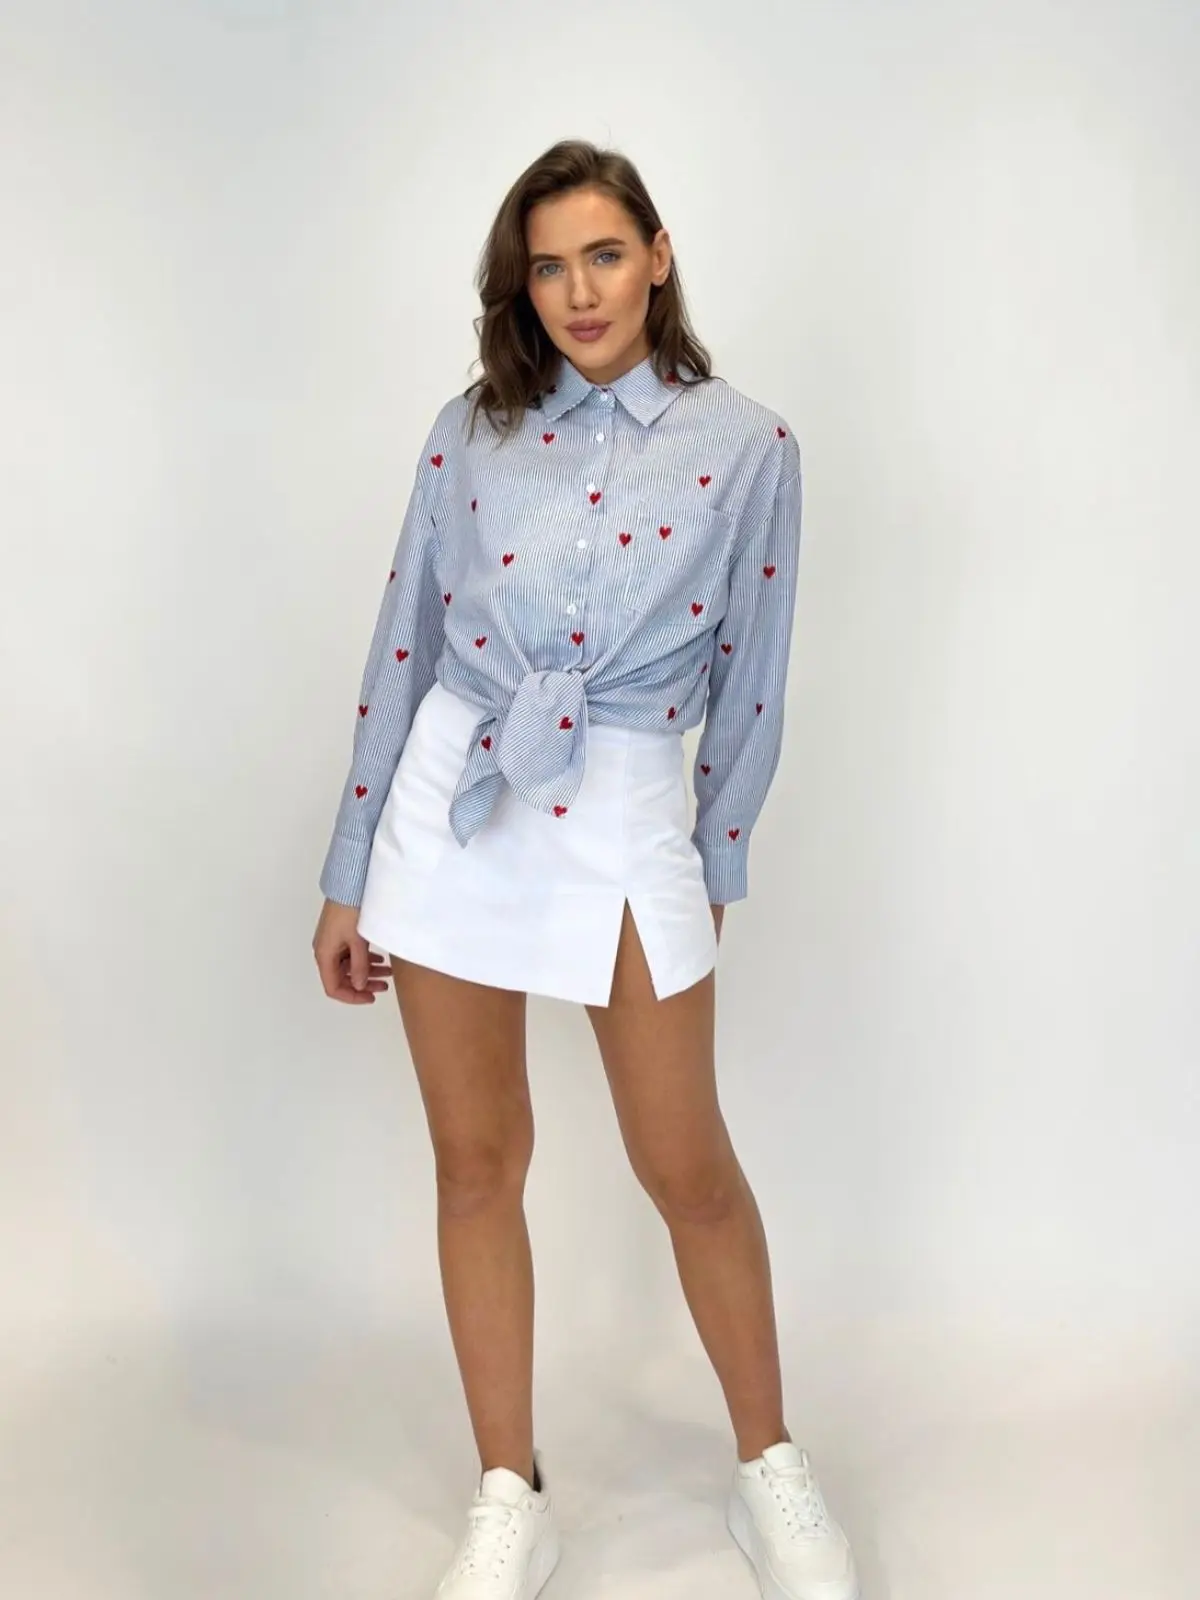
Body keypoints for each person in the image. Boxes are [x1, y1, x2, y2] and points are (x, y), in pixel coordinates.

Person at [311, 138, 860, 1600]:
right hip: (459, 793)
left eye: (604, 254)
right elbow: (404, 644)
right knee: (476, 1161)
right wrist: (352, 869)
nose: (578, 292)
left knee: (687, 1165)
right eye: (547, 267)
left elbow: (752, 678)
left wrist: (712, 859)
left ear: (658, 256)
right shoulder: (471, 430)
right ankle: (513, 1488)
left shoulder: (748, 445)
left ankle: (768, 1463)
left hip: (623, 796)